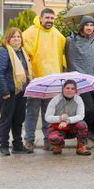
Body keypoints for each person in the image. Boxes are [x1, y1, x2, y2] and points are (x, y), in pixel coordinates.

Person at [22, 8, 66, 152]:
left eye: (52, 18)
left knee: (49, 114)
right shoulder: (30, 33)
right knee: (32, 112)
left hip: (52, 81)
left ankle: (49, 140)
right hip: (35, 81)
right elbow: (24, 56)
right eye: (47, 18)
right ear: (40, 18)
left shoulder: (58, 35)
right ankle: (29, 140)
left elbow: (62, 56)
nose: (49, 21)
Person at [65, 15, 94, 146]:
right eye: (86, 25)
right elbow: (69, 55)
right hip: (80, 81)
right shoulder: (73, 41)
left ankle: (93, 130)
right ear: (82, 27)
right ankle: (83, 134)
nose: (89, 27)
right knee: (89, 110)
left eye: (91, 25)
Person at [0, 27, 33, 156]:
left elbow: (26, 72)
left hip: (21, 91)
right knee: (6, 119)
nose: (16, 39)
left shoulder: (22, 52)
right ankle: (4, 145)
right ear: (8, 39)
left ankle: (17, 145)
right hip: (8, 92)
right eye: (13, 37)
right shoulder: (3, 51)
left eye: (18, 37)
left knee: (18, 119)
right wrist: (5, 91)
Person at [45, 80, 91, 156]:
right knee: (53, 137)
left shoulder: (78, 99)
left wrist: (67, 121)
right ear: (63, 89)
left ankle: (81, 146)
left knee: (82, 125)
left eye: (72, 88)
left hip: (72, 127)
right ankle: (58, 146)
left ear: (75, 90)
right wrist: (60, 118)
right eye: (67, 88)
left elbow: (81, 116)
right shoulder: (55, 100)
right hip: (58, 127)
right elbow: (47, 117)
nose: (70, 90)